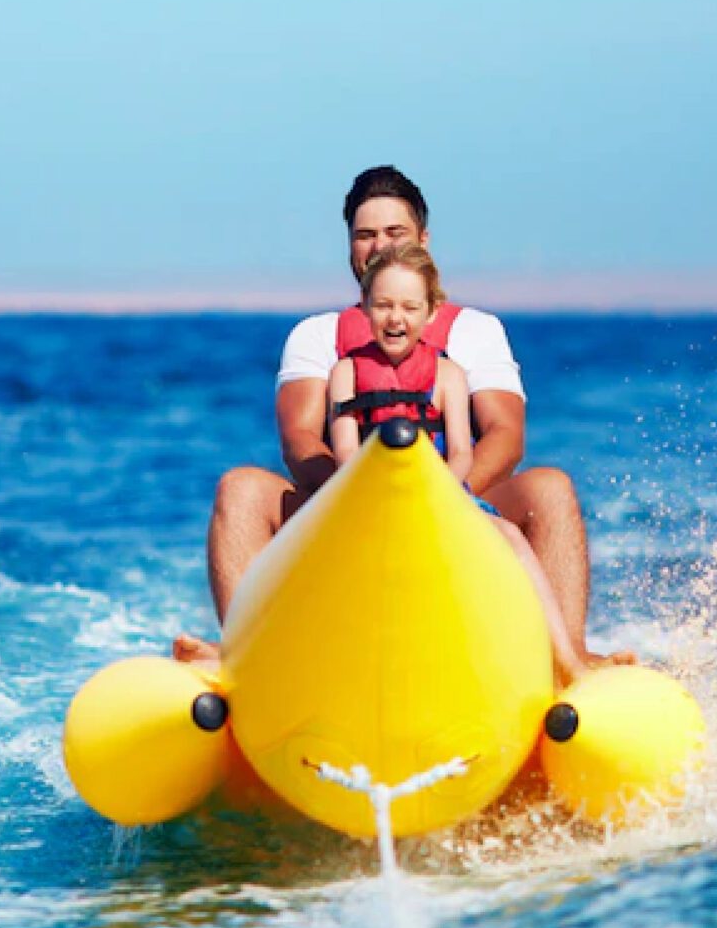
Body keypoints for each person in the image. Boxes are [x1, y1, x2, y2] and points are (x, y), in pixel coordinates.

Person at [174, 166, 632, 672]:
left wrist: (436, 502)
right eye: (365, 235)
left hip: (459, 503)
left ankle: (566, 658)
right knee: (240, 487)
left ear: (423, 240)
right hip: (344, 503)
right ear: (349, 245)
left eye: (394, 232)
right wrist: (364, 496)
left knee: (550, 487)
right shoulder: (318, 335)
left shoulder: (475, 333)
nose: (378, 246)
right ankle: (243, 657)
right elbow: (300, 438)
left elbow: (505, 434)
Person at [327, 242, 593, 681]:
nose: (396, 318)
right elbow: (345, 452)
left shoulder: (449, 374)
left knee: (508, 534)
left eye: (410, 307)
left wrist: (439, 494)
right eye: (384, 305)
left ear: (431, 313)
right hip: (365, 497)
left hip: (442, 497)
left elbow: (462, 452)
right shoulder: (346, 374)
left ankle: (565, 660)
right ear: (365, 310)